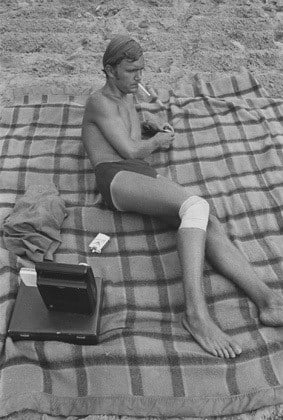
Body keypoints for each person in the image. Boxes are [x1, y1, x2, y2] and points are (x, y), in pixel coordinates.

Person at [81, 34, 283, 359]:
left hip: (136, 171)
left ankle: (269, 301)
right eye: (131, 71)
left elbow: (129, 132)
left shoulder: (127, 94)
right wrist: (157, 142)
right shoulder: (99, 102)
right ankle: (195, 314)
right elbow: (131, 150)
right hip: (115, 177)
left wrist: (150, 126)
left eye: (141, 70)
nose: (139, 77)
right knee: (196, 205)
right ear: (109, 69)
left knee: (207, 221)